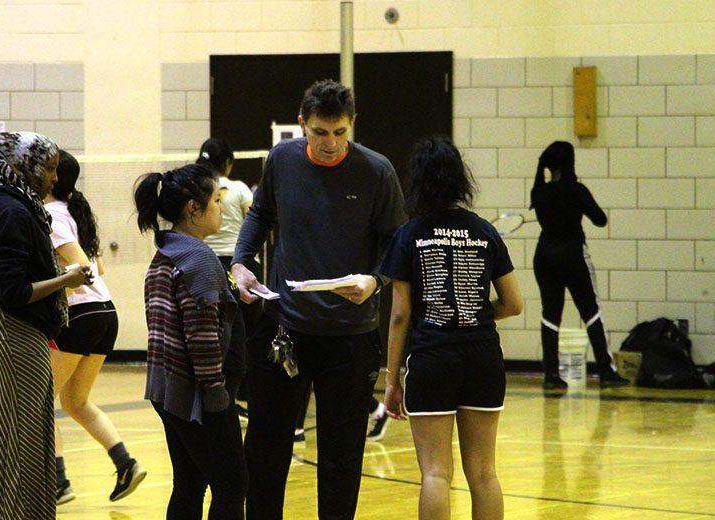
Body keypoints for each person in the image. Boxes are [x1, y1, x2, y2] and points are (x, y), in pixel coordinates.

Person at [231, 79, 406, 520]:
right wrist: (240, 261)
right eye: (320, 133)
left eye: (340, 132)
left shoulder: (377, 171)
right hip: (285, 327)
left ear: (352, 126)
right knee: (265, 452)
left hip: (351, 336)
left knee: (341, 459)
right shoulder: (282, 161)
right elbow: (260, 214)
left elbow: (395, 243)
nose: (330, 144)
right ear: (302, 124)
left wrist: (375, 279)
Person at [381, 136, 523, 520]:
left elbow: (399, 315)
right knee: (483, 474)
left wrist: (392, 380)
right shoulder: (484, 231)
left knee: (435, 474)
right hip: (483, 359)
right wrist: (475, 313)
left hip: (432, 358)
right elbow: (514, 304)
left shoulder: (409, 234)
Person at [0, 132, 93, 520]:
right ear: (23, 165)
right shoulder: (12, 212)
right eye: (50, 169)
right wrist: (65, 280)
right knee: (16, 436)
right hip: (15, 331)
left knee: (24, 432)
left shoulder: (9, 205)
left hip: (17, 330)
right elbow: (16, 292)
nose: (55, 179)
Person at [136, 163, 248, 519]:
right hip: (199, 395)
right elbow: (200, 338)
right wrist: (216, 395)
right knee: (232, 485)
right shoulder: (198, 258)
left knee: (190, 482)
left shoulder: (167, 253)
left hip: (169, 392)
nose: (220, 209)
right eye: (215, 201)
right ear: (192, 209)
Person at [43, 150, 146, 505]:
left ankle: (57, 481)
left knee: (41, 401)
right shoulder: (76, 212)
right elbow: (99, 268)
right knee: (75, 400)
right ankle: (125, 463)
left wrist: (47, 290)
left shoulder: (52, 215)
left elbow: (85, 268)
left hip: (81, 315)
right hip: (105, 312)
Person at [530, 141, 629, 389]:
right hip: (572, 255)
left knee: (550, 315)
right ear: (570, 163)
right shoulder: (577, 190)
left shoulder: (538, 193)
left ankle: (551, 376)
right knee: (591, 312)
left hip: (544, 256)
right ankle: (606, 371)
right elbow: (600, 220)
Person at [197, 137, 262, 420]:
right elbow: (254, 223)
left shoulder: (199, 188)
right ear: (227, 163)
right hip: (240, 267)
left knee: (218, 336)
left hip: (208, 267)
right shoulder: (239, 189)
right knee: (245, 337)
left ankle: (224, 399)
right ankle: (239, 397)